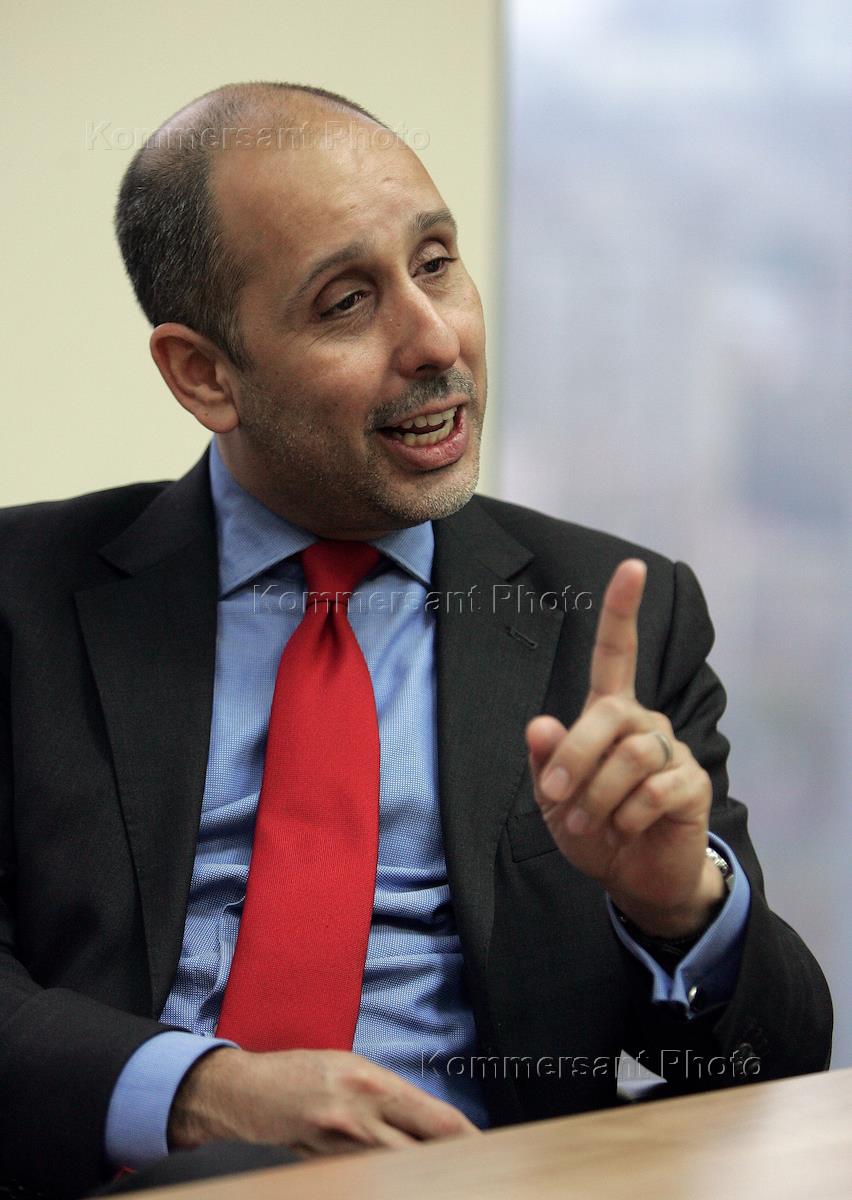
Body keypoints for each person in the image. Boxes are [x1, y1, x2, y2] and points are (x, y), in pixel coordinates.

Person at [0, 83, 832, 1198]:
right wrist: (198, 1092)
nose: (436, 339)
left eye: (436, 264)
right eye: (347, 303)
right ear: (204, 373)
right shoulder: (22, 600)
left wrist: (682, 905)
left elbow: (777, 1068)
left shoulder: (612, 614)